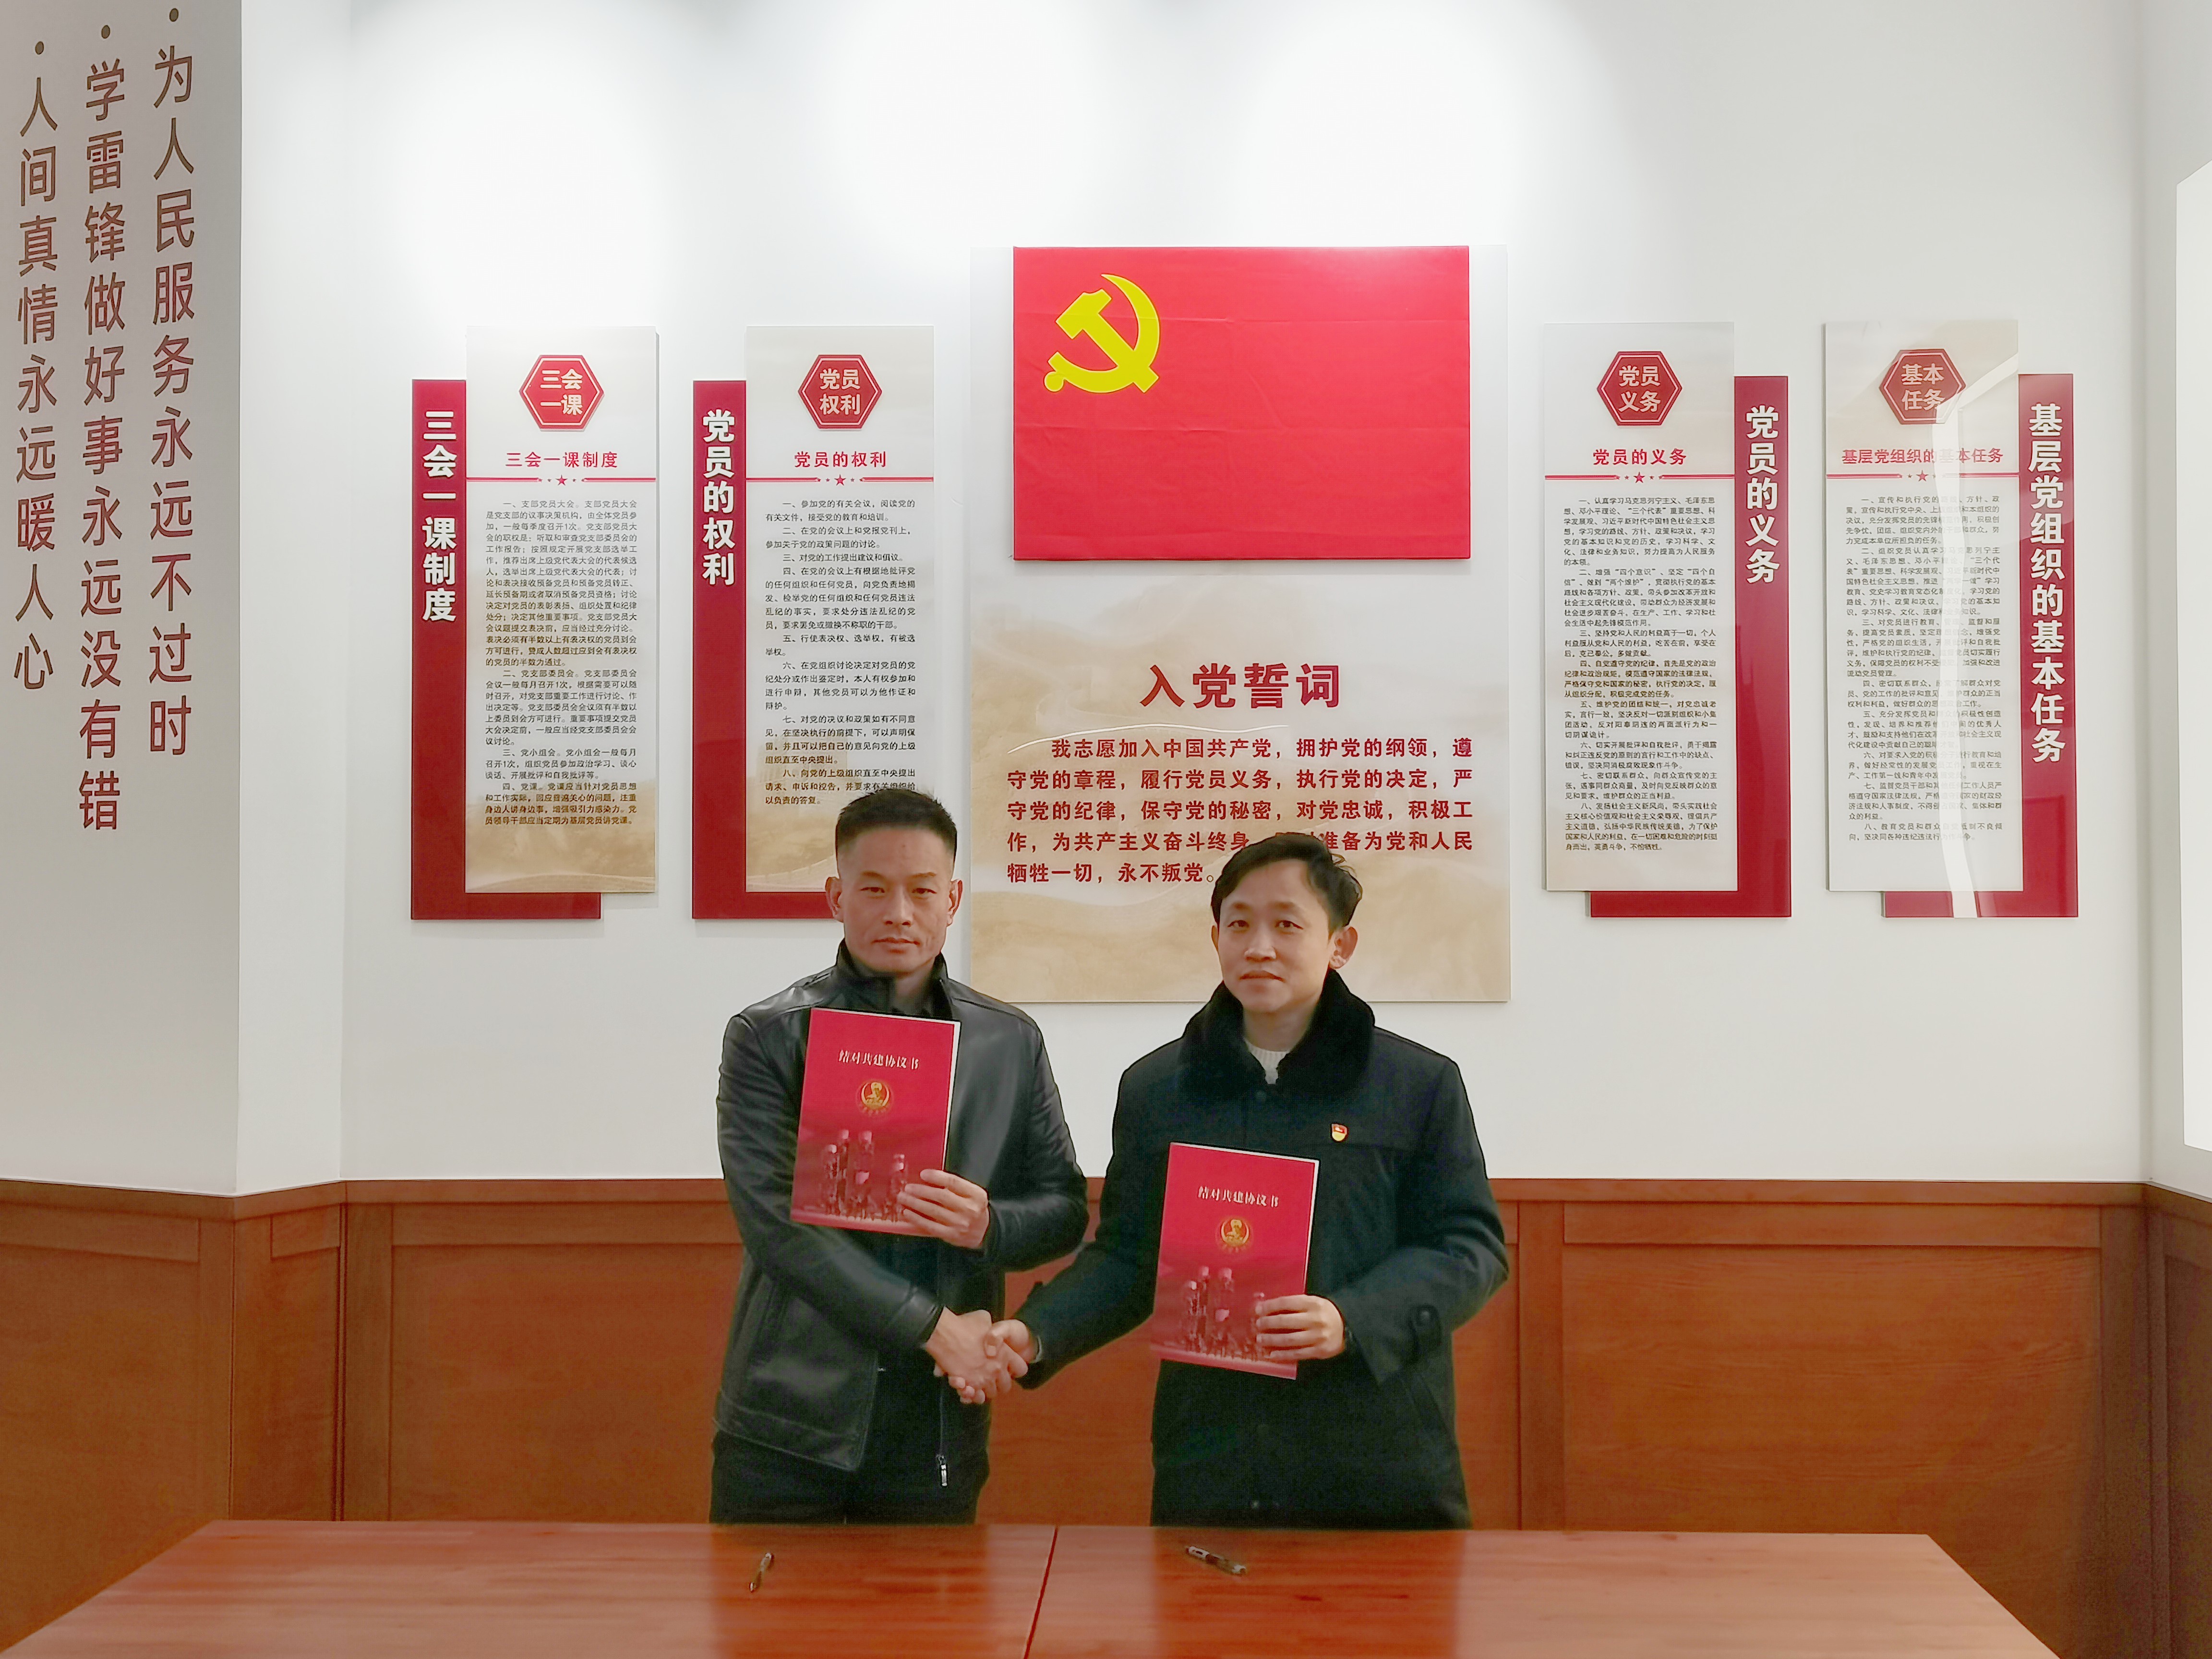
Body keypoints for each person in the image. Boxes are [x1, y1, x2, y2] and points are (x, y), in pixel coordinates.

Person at [986, 832, 1508, 1528]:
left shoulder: (1417, 1084)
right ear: (1216, 938)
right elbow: (1130, 1256)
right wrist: (1037, 1332)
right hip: (1215, 1454)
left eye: (1287, 925)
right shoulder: (1157, 1089)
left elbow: (1470, 1247)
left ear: (1340, 945)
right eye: (1239, 924)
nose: (1259, 946)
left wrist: (1351, 1318)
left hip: (1377, 1452)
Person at [710, 787, 1088, 1524]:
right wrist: (935, 1327)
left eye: (921, 891)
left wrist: (990, 1225)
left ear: (953, 900)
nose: (899, 913)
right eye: (874, 890)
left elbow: (1065, 1210)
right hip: (790, 1420)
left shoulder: (1007, 1041)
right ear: (836, 897)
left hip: (937, 1421)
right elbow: (776, 1227)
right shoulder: (768, 1036)